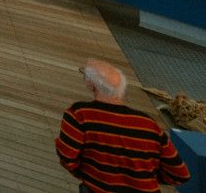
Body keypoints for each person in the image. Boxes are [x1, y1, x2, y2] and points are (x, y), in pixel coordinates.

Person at [55, 60, 190, 191]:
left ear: (91, 85)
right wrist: (145, 178)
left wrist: (93, 174)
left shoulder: (79, 114)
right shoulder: (148, 124)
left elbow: (68, 159)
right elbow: (180, 174)